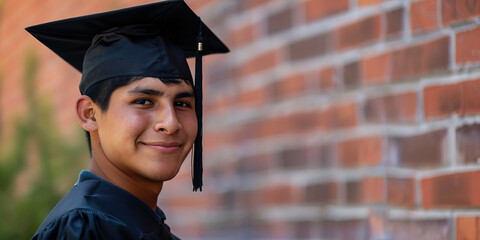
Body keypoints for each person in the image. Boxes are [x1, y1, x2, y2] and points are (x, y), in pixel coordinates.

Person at [25, 0, 229, 239]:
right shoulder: (85, 228)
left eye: (182, 103)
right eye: (143, 101)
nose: (171, 122)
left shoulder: (132, 220)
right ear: (89, 114)